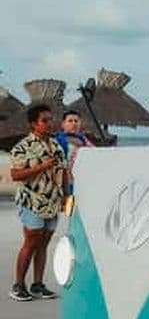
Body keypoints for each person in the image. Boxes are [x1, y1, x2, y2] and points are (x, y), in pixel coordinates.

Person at [8, 104, 67, 301]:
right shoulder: (23, 147)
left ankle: (38, 285)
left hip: (52, 201)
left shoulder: (56, 146)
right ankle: (18, 285)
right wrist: (42, 166)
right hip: (32, 201)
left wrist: (66, 196)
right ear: (34, 124)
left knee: (44, 243)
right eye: (45, 120)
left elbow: (64, 172)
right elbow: (15, 175)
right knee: (31, 241)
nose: (50, 123)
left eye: (51, 119)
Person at [55, 110, 95, 193]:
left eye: (76, 121)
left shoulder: (83, 139)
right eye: (70, 121)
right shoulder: (58, 140)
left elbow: (94, 152)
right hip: (65, 181)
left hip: (82, 180)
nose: (74, 123)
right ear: (63, 124)